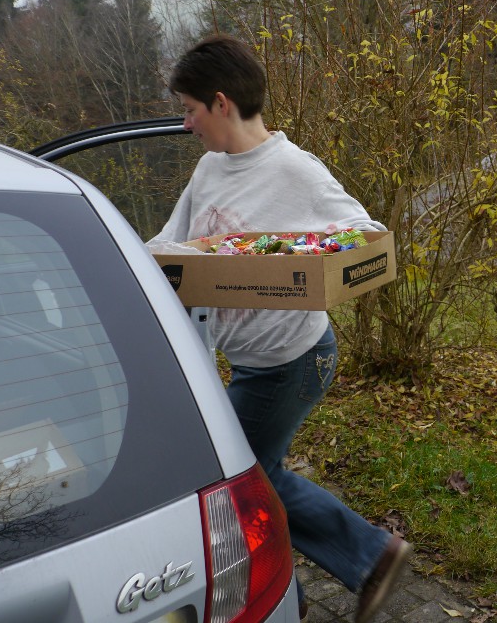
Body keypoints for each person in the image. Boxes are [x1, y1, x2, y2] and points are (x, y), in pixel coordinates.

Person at [149, 34, 411, 622]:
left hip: (295, 362)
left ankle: (359, 562)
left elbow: (363, 233)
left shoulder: (294, 170)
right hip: (245, 364)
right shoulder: (209, 168)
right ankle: (347, 568)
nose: (186, 124)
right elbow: (170, 244)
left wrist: (294, 253)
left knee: (242, 483)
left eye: (189, 110)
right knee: (253, 478)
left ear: (220, 104)